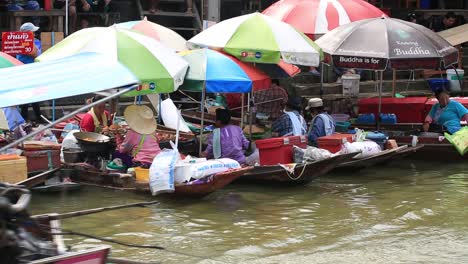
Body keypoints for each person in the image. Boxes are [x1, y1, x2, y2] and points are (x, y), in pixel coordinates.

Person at [17, 23, 42, 121]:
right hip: (24, 72)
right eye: (32, 32)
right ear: (26, 33)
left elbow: (37, 53)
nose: (34, 34)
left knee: (35, 95)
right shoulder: (20, 42)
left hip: (32, 71)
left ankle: (38, 117)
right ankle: (24, 119)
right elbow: (34, 53)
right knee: (25, 96)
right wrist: (29, 40)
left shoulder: (34, 41)